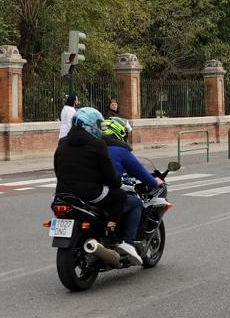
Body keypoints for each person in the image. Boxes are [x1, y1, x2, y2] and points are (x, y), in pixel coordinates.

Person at [53, 106, 131, 239]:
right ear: (88, 125)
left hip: (62, 192)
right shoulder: (98, 144)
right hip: (89, 192)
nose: (100, 128)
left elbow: (57, 168)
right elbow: (108, 173)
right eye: (97, 124)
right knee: (120, 196)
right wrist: (116, 183)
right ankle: (110, 230)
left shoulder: (63, 142)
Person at [100, 117, 163, 264]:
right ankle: (128, 243)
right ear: (119, 132)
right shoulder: (121, 150)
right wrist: (154, 181)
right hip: (104, 193)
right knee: (135, 203)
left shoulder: (94, 146)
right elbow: (140, 171)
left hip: (80, 192)